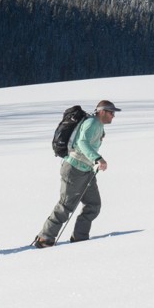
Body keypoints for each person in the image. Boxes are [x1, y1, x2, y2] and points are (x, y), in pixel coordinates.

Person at [32, 100, 120, 247]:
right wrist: (98, 158)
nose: (113, 116)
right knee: (66, 205)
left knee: (93, 204)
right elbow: (82, 143)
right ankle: (45, 238)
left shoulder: (97, 125)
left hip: (86, 170)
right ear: (102, 111)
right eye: (111, 112)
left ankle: (80, 237)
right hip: (74, 168)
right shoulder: (92, 123)